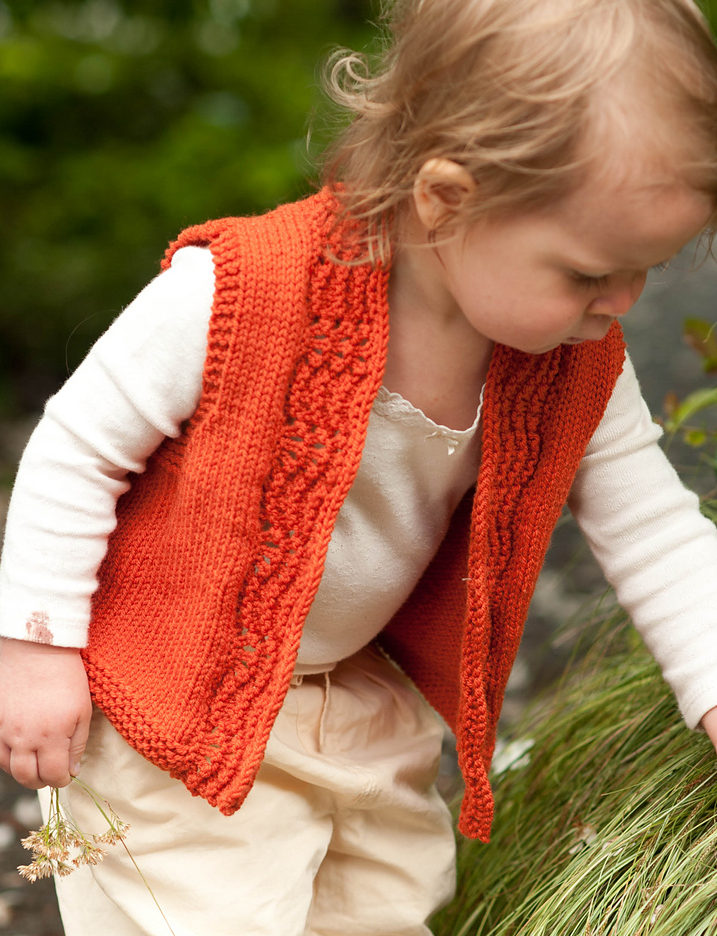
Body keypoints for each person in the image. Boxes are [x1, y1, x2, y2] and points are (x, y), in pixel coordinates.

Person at [1, 0, 717, 933]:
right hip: (171, 705)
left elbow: (655, 529)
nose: (620, 303)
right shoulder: (243, 294)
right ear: (446, 198)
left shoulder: (576, 363)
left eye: (648, 271)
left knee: (383, 910)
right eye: (587, 274)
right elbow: (75, 449)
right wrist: (36, 647)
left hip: (356, 700)